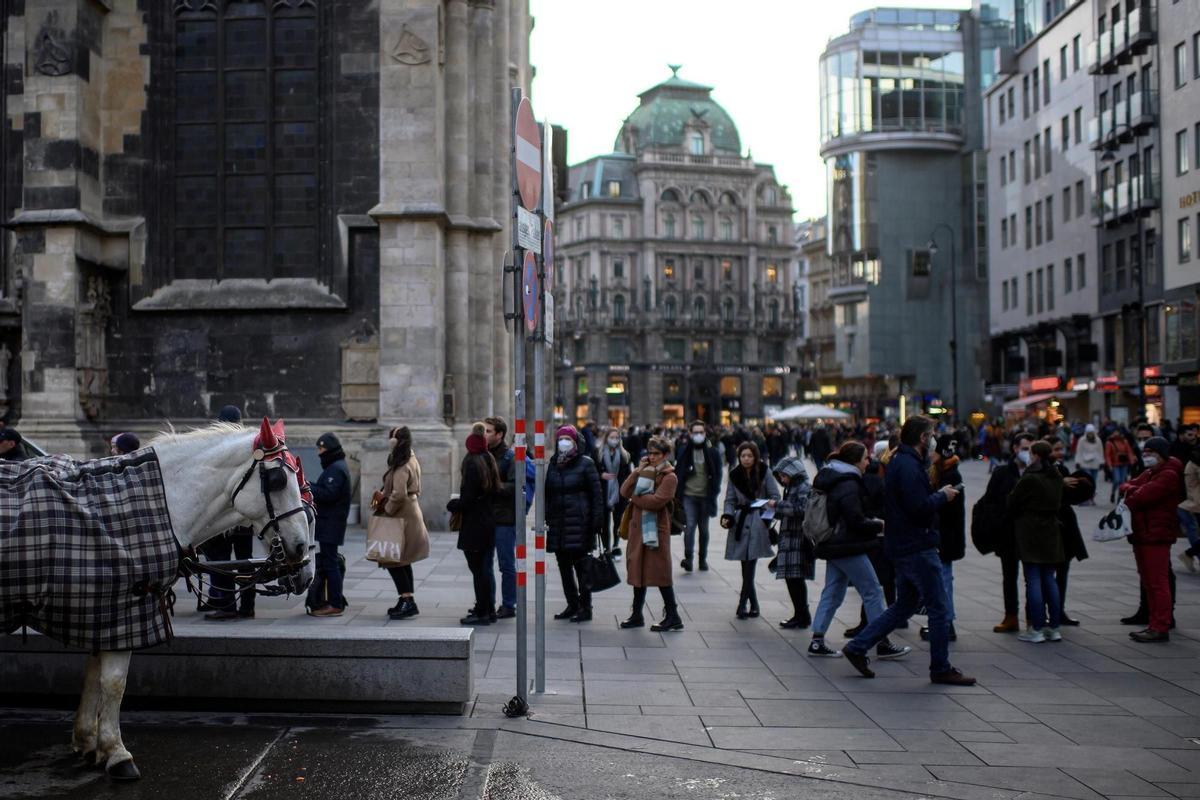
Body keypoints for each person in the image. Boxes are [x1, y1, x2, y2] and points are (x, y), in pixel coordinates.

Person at [842, 415, 974, 686]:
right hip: (916, 545)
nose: (935, 439)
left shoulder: (902, 462)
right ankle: (940, 667)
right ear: (923, 438)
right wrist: (942, 496)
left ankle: (858, 646)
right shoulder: (909, 466)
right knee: (938, 607)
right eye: (932, 434)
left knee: (905, 604)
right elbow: (918, 507)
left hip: (903, 544)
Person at [806, 442, 910, 661]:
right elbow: (855, 519)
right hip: (847, 545)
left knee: (832, 592)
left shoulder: (833, 476)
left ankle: (817, 640)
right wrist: (879, 525)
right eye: (865, 458)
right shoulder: (849, 483)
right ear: (854, 461)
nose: (868, 462)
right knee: (872, 590)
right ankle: (882, 641)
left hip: (833, 543)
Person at [1121, 436, 1183, 643]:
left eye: (1151, 453)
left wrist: (1131, 490)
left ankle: (1160, 625)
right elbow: (1127, 487)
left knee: (1157, 582)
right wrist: (1131, 489)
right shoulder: (1151, 473)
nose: (1146, 457)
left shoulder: (1168, 475)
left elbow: (1139, 497)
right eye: (1145, 452)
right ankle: (1154, 622)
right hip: (1143, 532)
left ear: (1162, 455)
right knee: (1148, 580)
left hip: (1156, 534)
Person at [618, 436, 683, 632]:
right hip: (638, 529)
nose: (652, 457)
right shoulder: (643, 471)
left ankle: (673, 615)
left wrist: (636, 497)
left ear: (665, 455)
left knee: (661, 573)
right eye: (650, 453)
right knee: (638, 570)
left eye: (656, 454)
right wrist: (637, 471)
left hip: (655, 530)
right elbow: (623, 491)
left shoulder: (670, 476)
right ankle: (637, 613)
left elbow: (656, 501)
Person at [973, 432, 1035, 633]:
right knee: (1009, 576)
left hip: (1030, 534)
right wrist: (999, 521)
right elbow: (990, 501)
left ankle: (1033, 617)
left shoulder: (1038, 471)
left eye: (1031, 449)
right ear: (1015, 449)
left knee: (1031, 577)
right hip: (1008, 533)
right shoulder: (1002, 473)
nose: (1028, 453)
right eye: (1025, 449)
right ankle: (1011, 617)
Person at [202, 405, 257, 621]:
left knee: (221, 562)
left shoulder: (217, 446)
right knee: (245, 561)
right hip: (243, 516)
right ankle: (247, 606)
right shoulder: (249, 444)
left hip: (222, 517)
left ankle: (225, 605)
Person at [1007, 441, 1065, 643]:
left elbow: (1012, 502)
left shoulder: (1030, 477)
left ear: (1036, 456)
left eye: (1030, 453)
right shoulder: (1056, 475)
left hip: (1030, 530)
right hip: (1051, 529)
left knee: (1033, 578)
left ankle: (1037, 628)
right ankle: (1054, 627)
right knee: (1049, 578)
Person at [546, 424, 603, 623]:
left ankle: (585, 608)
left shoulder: (586, 463)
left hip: (580, 522)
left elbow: (596, 495)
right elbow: (548, 493)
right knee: (563, 566)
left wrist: (597, 522)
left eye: (568, 439)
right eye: (561, 439)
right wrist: (547, 517)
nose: (563, 443)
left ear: (575, 442)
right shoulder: (554, 463)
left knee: (582, 567)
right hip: (559, 523)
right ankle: (572, 604)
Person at [721, 442, 780, 619]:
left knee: (750, 564)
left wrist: (766, 517)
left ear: (755, 457)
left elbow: (775, 496)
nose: (746, 459)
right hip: (740, 522)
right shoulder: (734, 474)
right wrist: (728, 516)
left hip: (758, 522)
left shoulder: (765, 471)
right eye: (743, 456)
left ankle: (742, 604)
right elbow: (729, 499)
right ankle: (754, 605)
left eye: (749, 456)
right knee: (745, 565)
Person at [448, 427, 500, 626]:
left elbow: (468, 499)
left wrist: (453, 505)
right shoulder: (489, 459)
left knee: (478, 570)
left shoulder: (472, 463)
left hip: (475, 524)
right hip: (488, 522)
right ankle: (487, 609)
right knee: (484, 569)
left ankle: (483, 612)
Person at [377, 426, 430, 620]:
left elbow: (398, 494)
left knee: (394, 559)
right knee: (402, 559)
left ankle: (407, 600)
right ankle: (406, 599)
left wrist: (386, 509)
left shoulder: (402, 463)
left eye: (392, 438)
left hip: (401, 514)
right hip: (408, 513)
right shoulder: (409, 458)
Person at [920, 438, 964, 642]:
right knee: (944, 579)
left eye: (933, 452)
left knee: (944, 580)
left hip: (945, 536)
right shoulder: (946, 472)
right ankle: (946, 623)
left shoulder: (950, 475)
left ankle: (946, 624)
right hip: (946, 535)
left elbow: (947, 510)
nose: (930, 455)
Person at [307, 432, 352, 617]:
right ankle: (331, 600)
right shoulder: (336, 466)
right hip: (330, 523)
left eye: (321, 448)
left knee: (331, 563)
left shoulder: (336, 469)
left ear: (330, 448)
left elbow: (329, 494)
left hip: (331, 523)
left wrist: (308, 486)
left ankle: (334, 603)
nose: (319, 452)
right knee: (328, 561)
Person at [1048, 438, 1092, 626]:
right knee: (1047, 572)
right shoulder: (1040, 470)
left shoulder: (1063, 469)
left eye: (1061, 448)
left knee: (1063, 570)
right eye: (1056, 449)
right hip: (1049, 526)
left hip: (1066, 526)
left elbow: (1071, 497)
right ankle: (1043, 612)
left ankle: (1059, 611)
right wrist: (1060, 483)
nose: (1060, 452)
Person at [772, 456, 814, 629]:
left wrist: (777, 505)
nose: (782, 479)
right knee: (792, 578)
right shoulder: (791, 487)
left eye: (784, 476)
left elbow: (802, 509)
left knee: (795, 578)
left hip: (798, 538)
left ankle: (802, 615)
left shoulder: (803, 487)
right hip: (790, 537)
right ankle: (800, 614)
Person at [675, 420, 722, 572]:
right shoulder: (683, 450)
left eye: (701, 432)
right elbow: (678, 471)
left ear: (705, 433)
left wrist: (714, 492)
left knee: (704, 529)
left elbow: (718, 474)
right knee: (689, 528)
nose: (698, 435)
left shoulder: (712, 451)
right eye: (695, 432)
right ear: (690, 434)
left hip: (705, 496)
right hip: (689, 495)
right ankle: (688, 558)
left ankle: (702, 559)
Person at [483, 416, 517, 619]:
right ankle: (487, 603)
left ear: (499, 434)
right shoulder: (482, 455)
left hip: (504, 518)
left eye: (489, 431)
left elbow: (515, 486)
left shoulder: (509, 457)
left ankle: (508, 605)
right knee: (485, 564)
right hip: (485, 517)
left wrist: (494, 486)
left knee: (506, 564)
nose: (485, 434)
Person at [595, 426, 632, 561]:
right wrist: (601, 475)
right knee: (605, 522)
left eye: (617, 438)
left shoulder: (624, 455)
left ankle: (616, 546)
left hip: (619, 493)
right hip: (602, 492)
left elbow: (628, 475)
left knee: (618, 521)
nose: (614, 440)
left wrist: (628, 492)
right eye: (612, 437)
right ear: (606, 438)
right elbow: (592, 472)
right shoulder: (598, 453)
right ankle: (607, 548)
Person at [1179, 447, 1200, 573]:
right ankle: (1188, 554)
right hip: (1195, 504)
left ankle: (1189, 554)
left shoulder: (1194, 460)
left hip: (1194, 503)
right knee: (1193, 531)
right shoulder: (1196, 462)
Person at [1074, 425, 1104, 501]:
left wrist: (1101, 462)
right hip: (1085, 463)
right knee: (1087, 481)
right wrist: (1077, 462)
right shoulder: (1082, 440)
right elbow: (1079, 451)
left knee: (1093, 481)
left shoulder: (1098, 440)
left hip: (1095, 463)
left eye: (1091, 432)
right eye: (1089, 432)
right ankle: (1086, 497)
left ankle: (1092, 497)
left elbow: (1100, 452)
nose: (1090, 434)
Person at [1105, 430, 1136, 503]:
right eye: (1115, 432)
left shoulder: (1124, 441)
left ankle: (1120, 496)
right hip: (1115, 464)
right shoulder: (1109, 442)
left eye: (1117, 432)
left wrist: (1131, 461)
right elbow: (1107, 455)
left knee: (1122, 481)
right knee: (1116, 480)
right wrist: (1109, 465)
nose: (1116, 434)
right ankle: (1113, 493)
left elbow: (1129, 452)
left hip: (1124, 463)